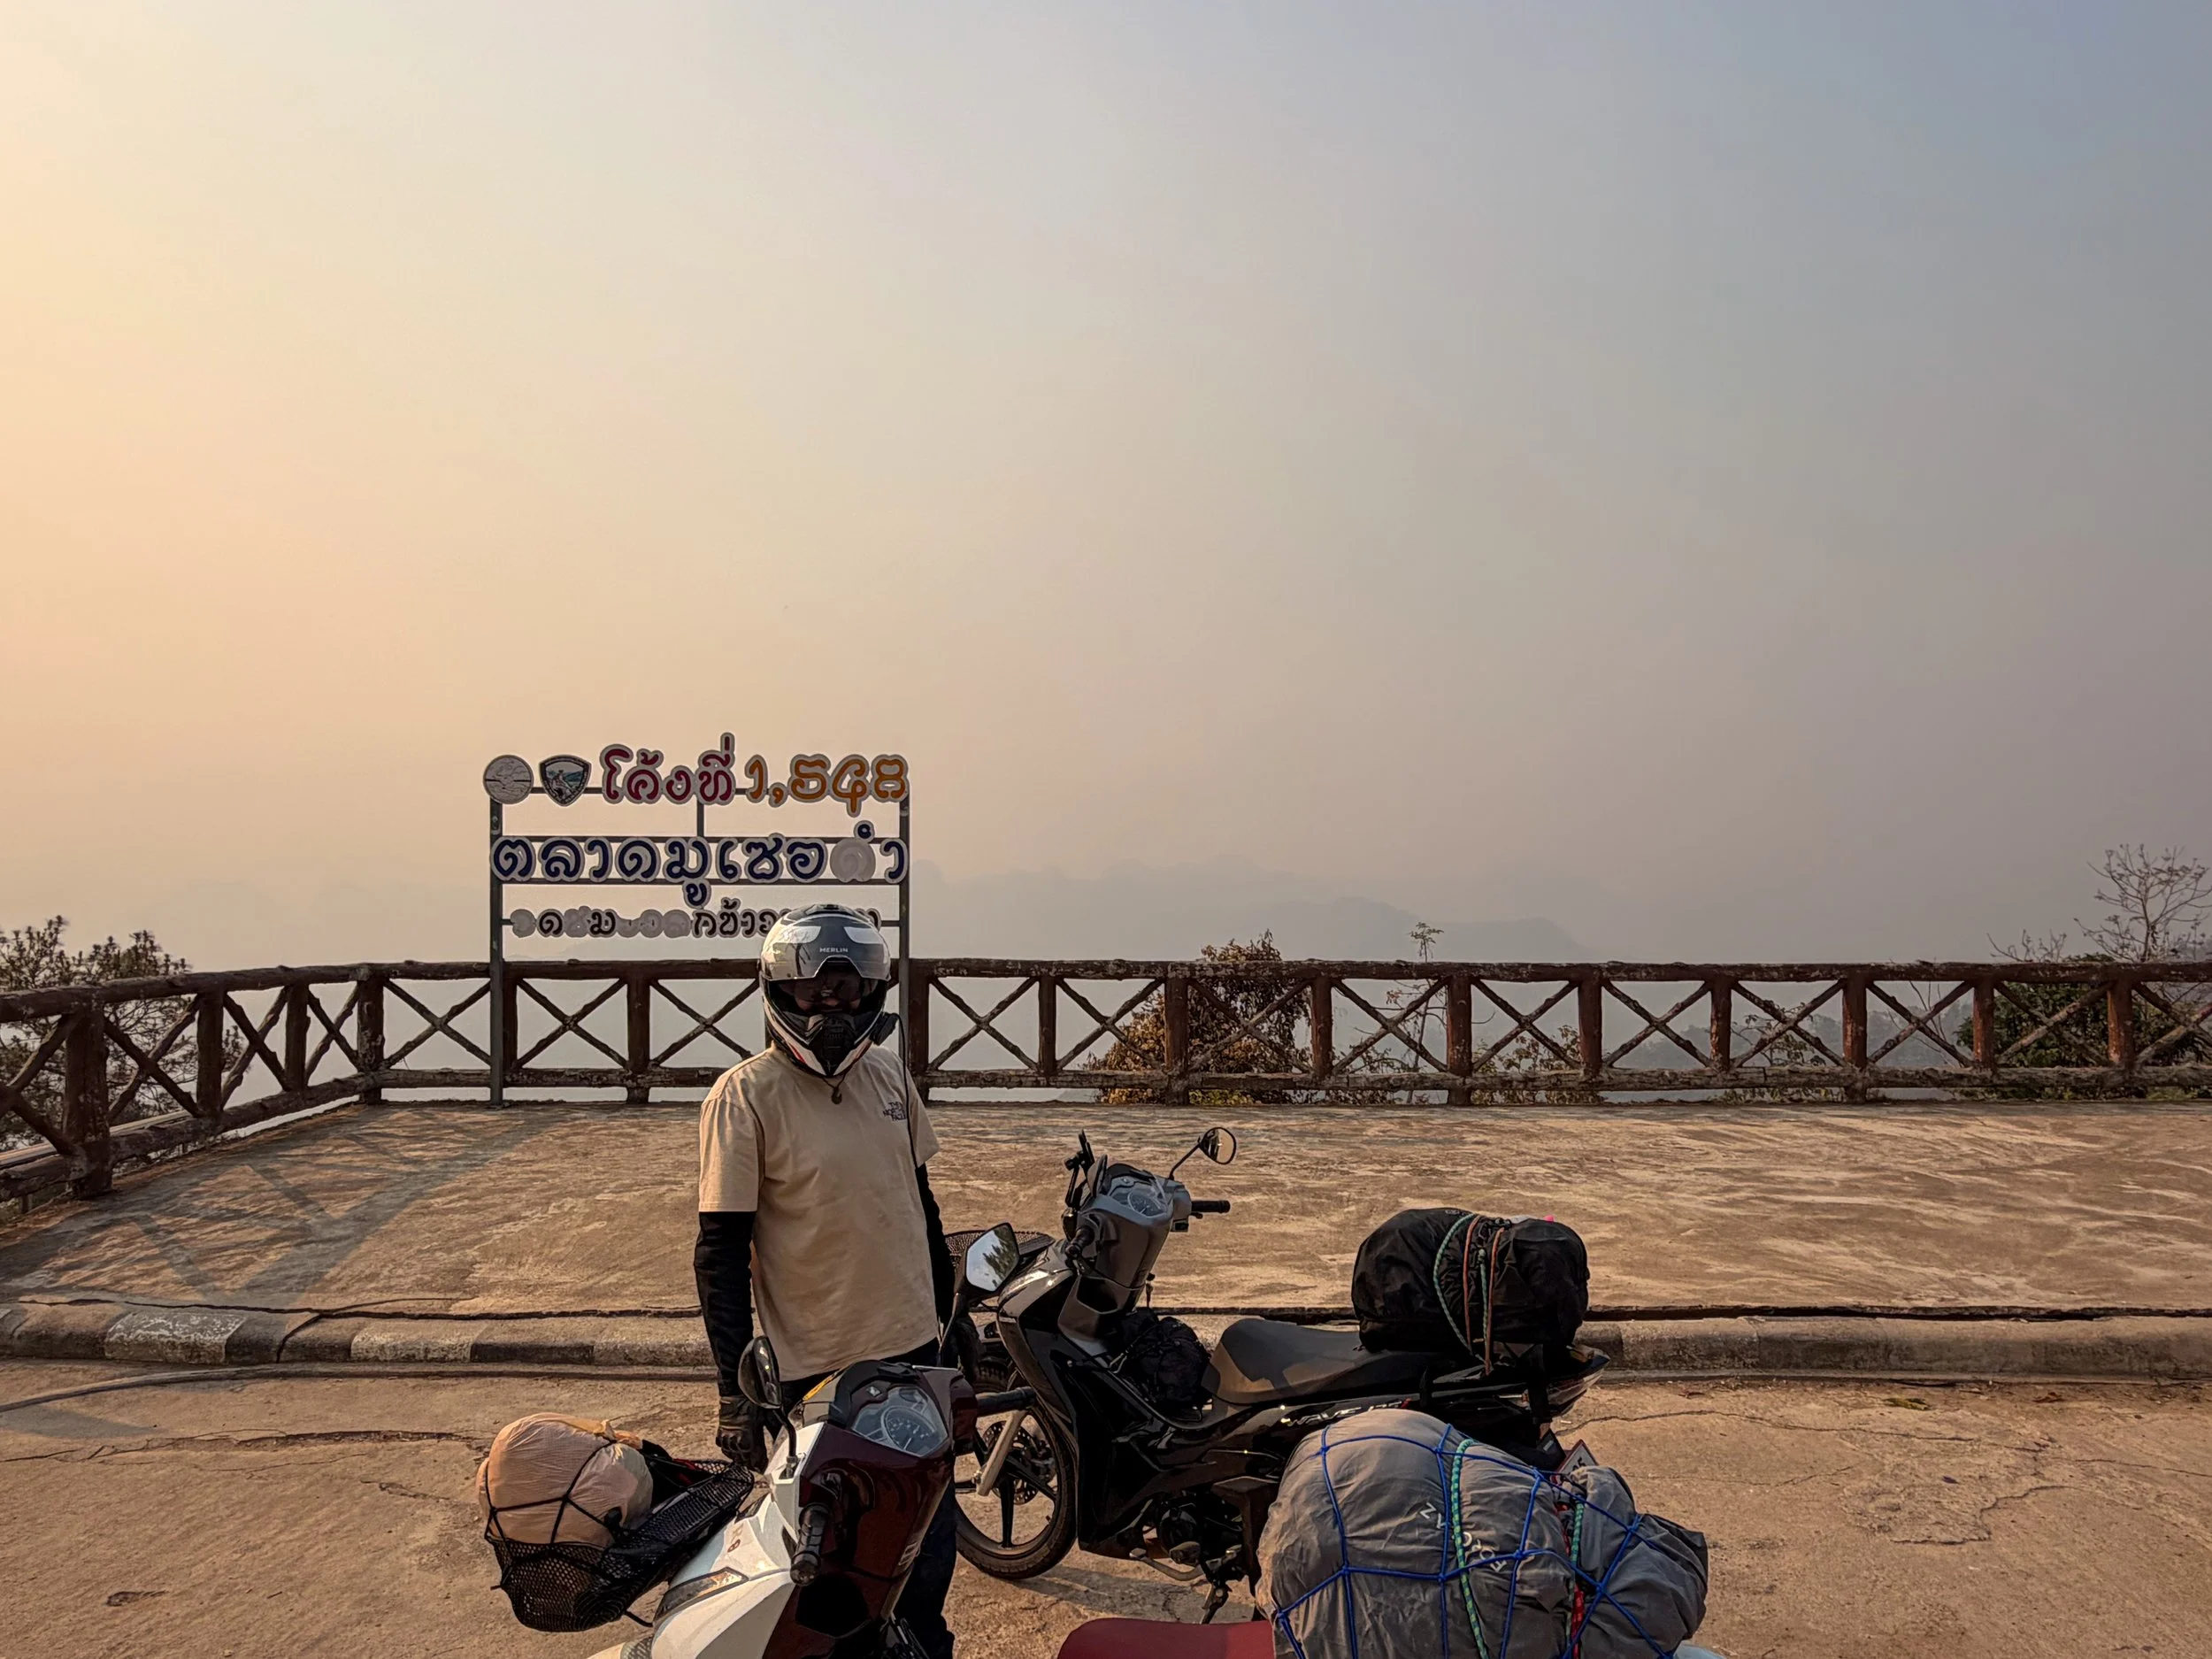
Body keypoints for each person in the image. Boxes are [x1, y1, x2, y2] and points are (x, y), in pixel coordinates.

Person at [693, 903, 959, 1658]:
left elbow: (919, 1205)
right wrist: (730, 1388)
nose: (833, 1011)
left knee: (925, 1566)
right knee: (836, 1586)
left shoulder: (887, 1075)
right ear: (781, 994)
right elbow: (719, 1253)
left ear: (873, 995)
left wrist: (951, 1321)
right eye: (815, 995)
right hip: (821, 1378)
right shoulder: (745, 1097)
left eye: (849, 994)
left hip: (918, 1360)